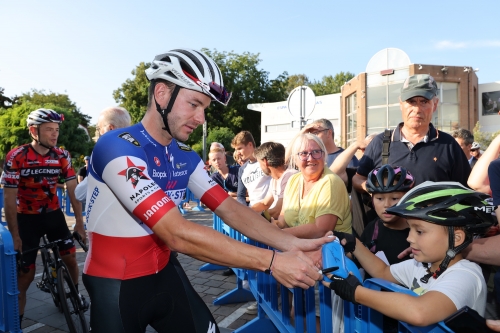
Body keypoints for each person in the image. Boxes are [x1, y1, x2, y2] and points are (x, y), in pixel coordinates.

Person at [82, 48, 332, 333]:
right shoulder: (117, 146)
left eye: (205, 109)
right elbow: (176, 233)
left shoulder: (184, 155)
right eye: (194, 104)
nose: (201, 118)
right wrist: (273, 262)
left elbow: (230, 209)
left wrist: (289, 244)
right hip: (115, 282)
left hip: (164, 272)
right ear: (162, 94)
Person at [326, 182, 495, 326]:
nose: (409, 238)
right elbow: (383, 272)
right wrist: (354, 243)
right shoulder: (422, 266)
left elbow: (420, 312)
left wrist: (356, 293)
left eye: (419, 231)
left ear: (456, 238)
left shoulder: (465, 275)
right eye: (410, 229)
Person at [1, 108, 87, 326]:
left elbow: (72, 189)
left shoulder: (61, 155)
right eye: (49, 129)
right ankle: (15, 323)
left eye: (56, 129)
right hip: (26, 219)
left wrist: (79, 223)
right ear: (33, 130)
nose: (54, 134)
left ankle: (74, 294)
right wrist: (15, 236)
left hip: (53, 215)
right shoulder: (16, 156)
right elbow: (9, 199)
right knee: (25, 276)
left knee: (70, 258)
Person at [353, 74, 471, 193]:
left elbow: (465, 189)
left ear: (435, 104)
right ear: (401, 104)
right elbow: (358, 179)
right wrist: (373, 187)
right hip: (390, 212)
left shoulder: (448, 145)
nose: (417, 109)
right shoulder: (380, 142)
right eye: (411, 101)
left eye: (424, 102)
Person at [275, 133, 352, 236]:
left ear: (324, 155)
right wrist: (274, 226)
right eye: (303, 153)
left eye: (316, 152)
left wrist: (278, 234)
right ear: (295, 159)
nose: (310, 158)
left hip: (330, 249)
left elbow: (322, 230)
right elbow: (283, 219)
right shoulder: (293, 180)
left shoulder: (330, 182)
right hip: (296, 247)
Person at [359, 165, 415, 275]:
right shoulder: (372, 228)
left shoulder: (418, 233)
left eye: (394, 198)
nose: (387, 205)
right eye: (379, 198)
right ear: (372, 199)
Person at [75, 106, 131, 204]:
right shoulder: (141, 151)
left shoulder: (103, 156)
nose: (99, 132)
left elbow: (80, 194)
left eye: (99, 128)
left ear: (110, 128)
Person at [251, 142, 297, 220]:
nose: (260, 167)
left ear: (265, 162)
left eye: (259, 163)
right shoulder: (274, 179)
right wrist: (245, 211)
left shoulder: (289, 176)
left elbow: (277, 211)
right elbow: (264, 204)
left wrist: (253, 219)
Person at [231, 131, 271, 207]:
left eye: (239, 148)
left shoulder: (265, 160)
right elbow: (240, 196)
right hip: (253, 211)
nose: (237, 153)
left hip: (271, 210)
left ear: (250, 145)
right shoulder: (242, 169)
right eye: (236, 150)